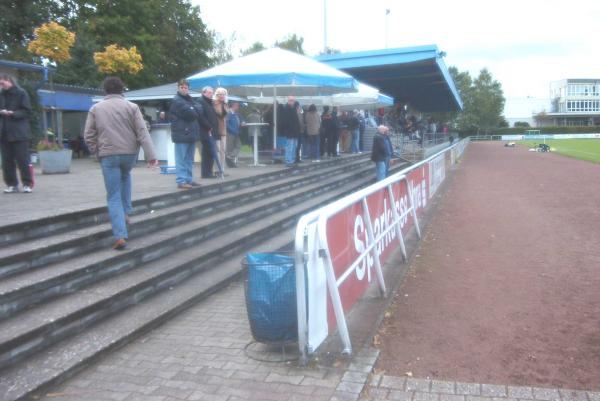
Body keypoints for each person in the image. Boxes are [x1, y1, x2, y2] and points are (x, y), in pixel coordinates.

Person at [84, 76, 158, 250]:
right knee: (125, 177)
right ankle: (126, 211)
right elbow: (142, 132)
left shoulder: (96, 109)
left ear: (105, 91)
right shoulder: (132, 107)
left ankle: (120, 235)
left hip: (108, 154)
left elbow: (88, 135)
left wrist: (97, 152)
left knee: (113, 195)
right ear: (122, 90)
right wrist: (151, 156)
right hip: (129, 153)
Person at [0, 73, 34, 193]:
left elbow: (27, 111)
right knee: (7, 161)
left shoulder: (21, 93)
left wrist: (12, 114)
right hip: (4, 133)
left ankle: (27, 184)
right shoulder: (1, 95)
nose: (1, 86)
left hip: (19, 133)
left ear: (8, 80)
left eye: (2, 83)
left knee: (22, 159)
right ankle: (11, 184)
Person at [168, 79, 202, 189]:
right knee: (181, 159)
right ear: (178, 88)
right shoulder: (176, 100)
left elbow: (200, 110)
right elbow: (191, 114)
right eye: (182, 87)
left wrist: (193, 108)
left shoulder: (190, 99)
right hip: (181, 134)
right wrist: (194, 108)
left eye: (186, 87)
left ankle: (188, 179)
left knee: (189, 159)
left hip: (191, 134)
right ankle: (181, 181)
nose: (184, 89)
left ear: (188, 88)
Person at [196, 86, 219, 178]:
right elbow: (201, 116)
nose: (211, 94)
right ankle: (206, 173)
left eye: (212, 92)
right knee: (207, 152)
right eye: (209, 92)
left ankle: (209, 172)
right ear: (203, 93)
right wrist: (208, 126)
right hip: (205, 131)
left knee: (210, 152)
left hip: (211, 131)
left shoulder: (210, 102)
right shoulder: (200, 101)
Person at [280, 96, 301, 167]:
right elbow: (285, 121)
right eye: (291, 100)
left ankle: (292, 160)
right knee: (290, 146)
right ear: (288, 101)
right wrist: (288, 129)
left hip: (295, 131)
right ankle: (289, 161)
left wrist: (297, 129)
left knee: (294, 146)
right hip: (290, 131)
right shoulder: (286, 109)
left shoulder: (293, 109)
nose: (292, 102)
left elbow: (296, 121)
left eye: (293, 100)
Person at [213, 87, 228, 174]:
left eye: (223, 94)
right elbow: (220, 114)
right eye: (220, 94)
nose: (222, 96)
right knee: (217, 150)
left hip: (223, 130)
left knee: (223, 150)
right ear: (217, 95)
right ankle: (217, 169)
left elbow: (225, 116)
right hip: (216, 130)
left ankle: (222, 169)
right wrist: (221, 104)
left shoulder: (225, 104)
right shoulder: (215, 103)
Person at [226, 101, 244, 167]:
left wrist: (242, 121)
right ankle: (230, 162)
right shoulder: (228, 113)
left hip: (236, 132)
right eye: (237, 106)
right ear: (234, 106)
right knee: (230, 147)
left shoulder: (236, 113)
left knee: (238, 145)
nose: (238, 107)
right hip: (230, 133)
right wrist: (232, 130)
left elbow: (241, 118)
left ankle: (230, 157)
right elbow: (226, 123)